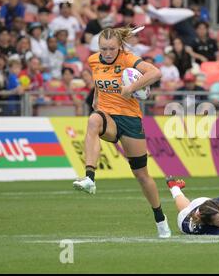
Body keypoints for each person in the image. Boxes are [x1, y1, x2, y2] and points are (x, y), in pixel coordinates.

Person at [72, 26, 171, 238]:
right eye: (103, 49)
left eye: (111, 49)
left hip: (131, 121)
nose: (107, 53)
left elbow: (155, 72)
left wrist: (131, 88)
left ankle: (160, 218)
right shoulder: (93, 60)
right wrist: (97, 98)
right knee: (93, 121)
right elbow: (99, 82)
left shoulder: (127, 59)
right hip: (108, 116)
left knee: (142, 175)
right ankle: (89, 177)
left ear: (119, 47)